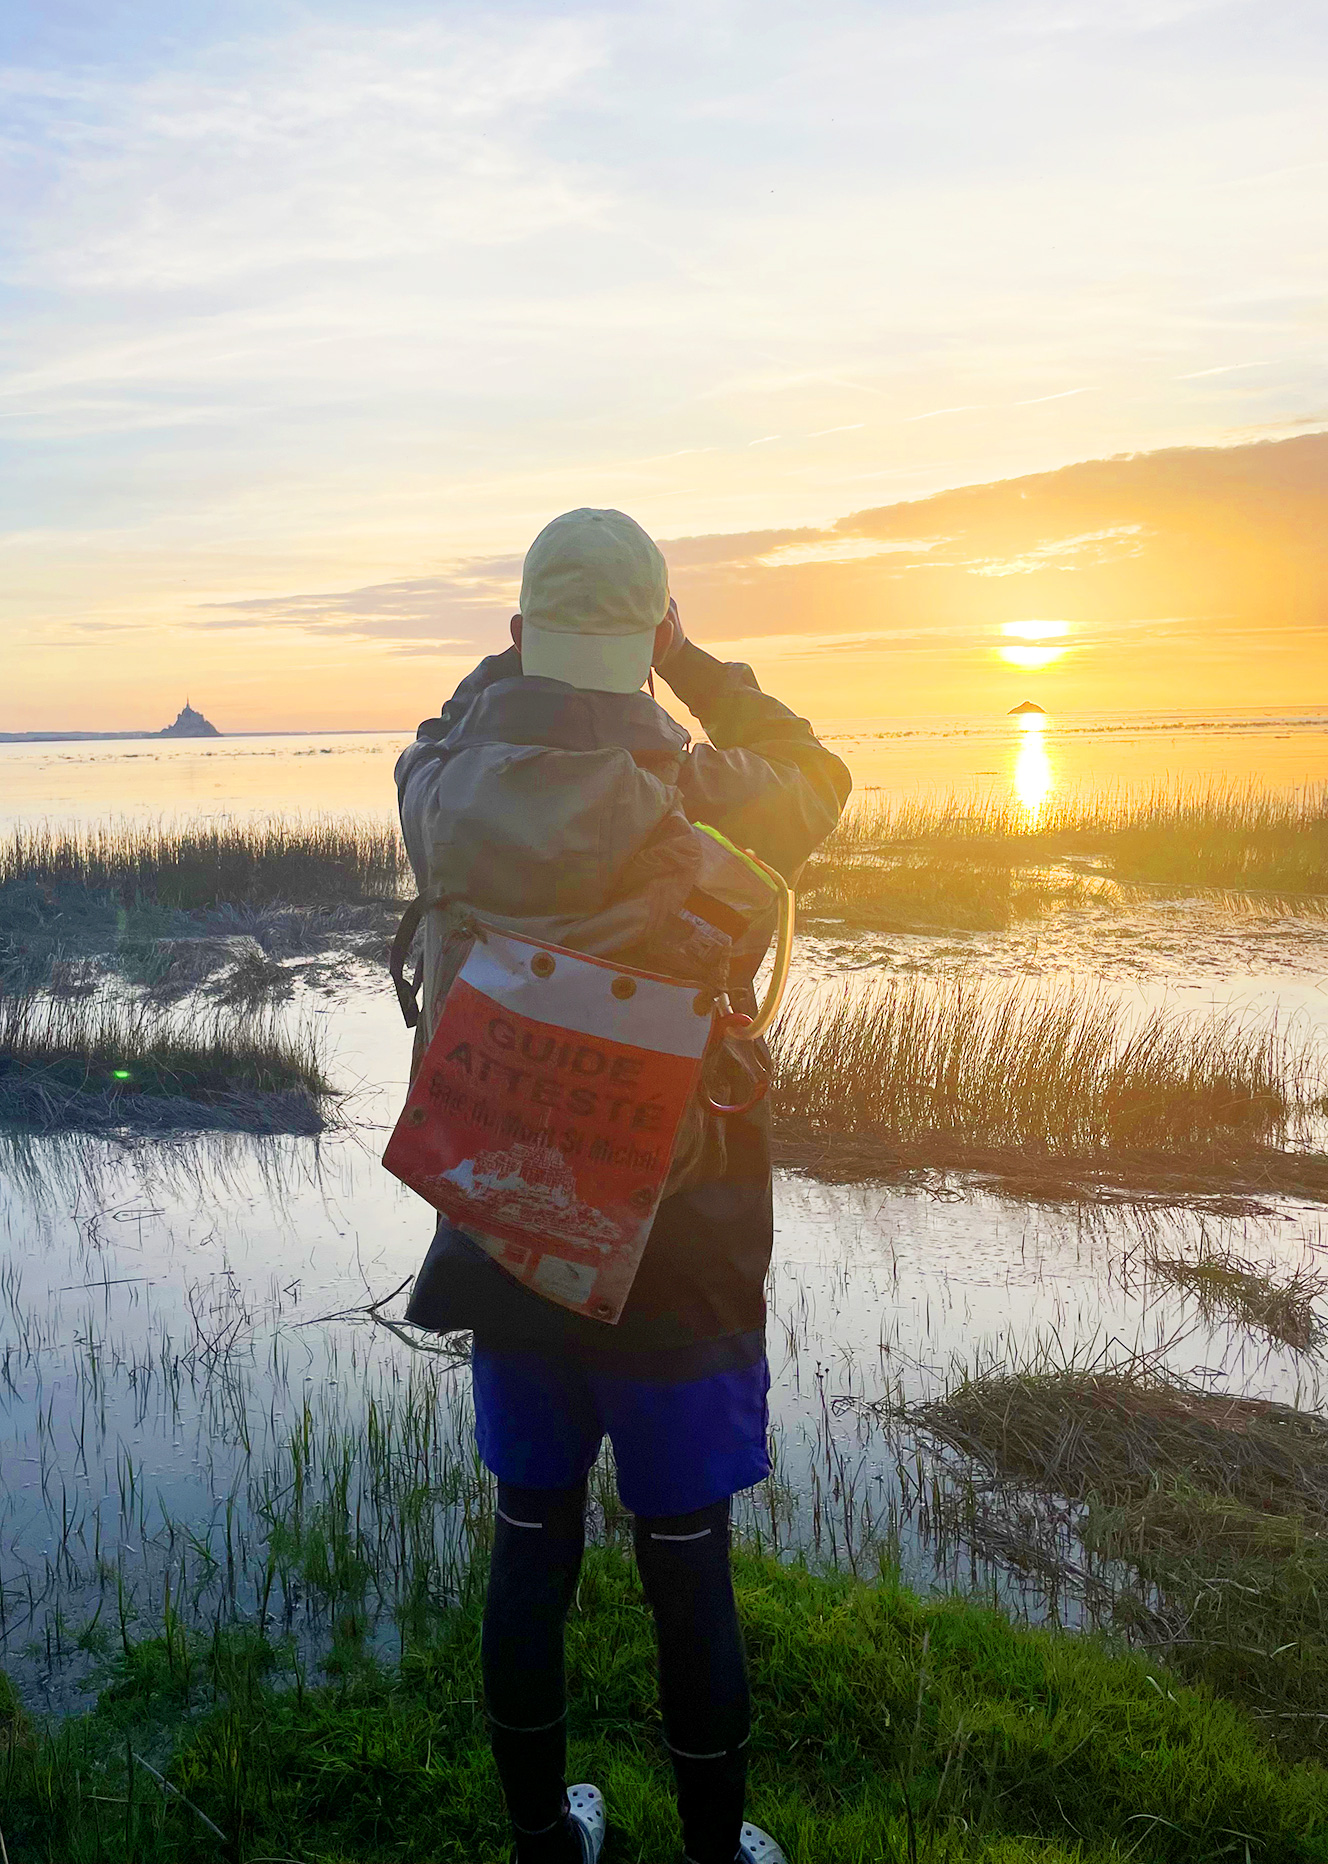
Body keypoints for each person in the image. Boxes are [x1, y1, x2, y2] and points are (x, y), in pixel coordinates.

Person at [395, 509, 851, 1864]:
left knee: (530, 1542)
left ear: (524, 634)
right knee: (684, 1557)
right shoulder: (704, 792)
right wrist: (693, 663)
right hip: (676, 1249)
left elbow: (448, 727)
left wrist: (514, 666)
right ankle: (716, 1852)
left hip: (511, 1232)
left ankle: (546, 1839)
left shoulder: (437, 791)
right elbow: (816, 770)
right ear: (647, 641)